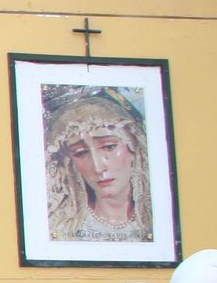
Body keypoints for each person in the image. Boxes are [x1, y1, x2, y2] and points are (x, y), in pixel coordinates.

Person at [43, 86, 154, 243]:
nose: (98, 167)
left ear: (134, 146)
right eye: (81, 153)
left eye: (109, 147)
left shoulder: (156, 222)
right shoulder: (62, 227)